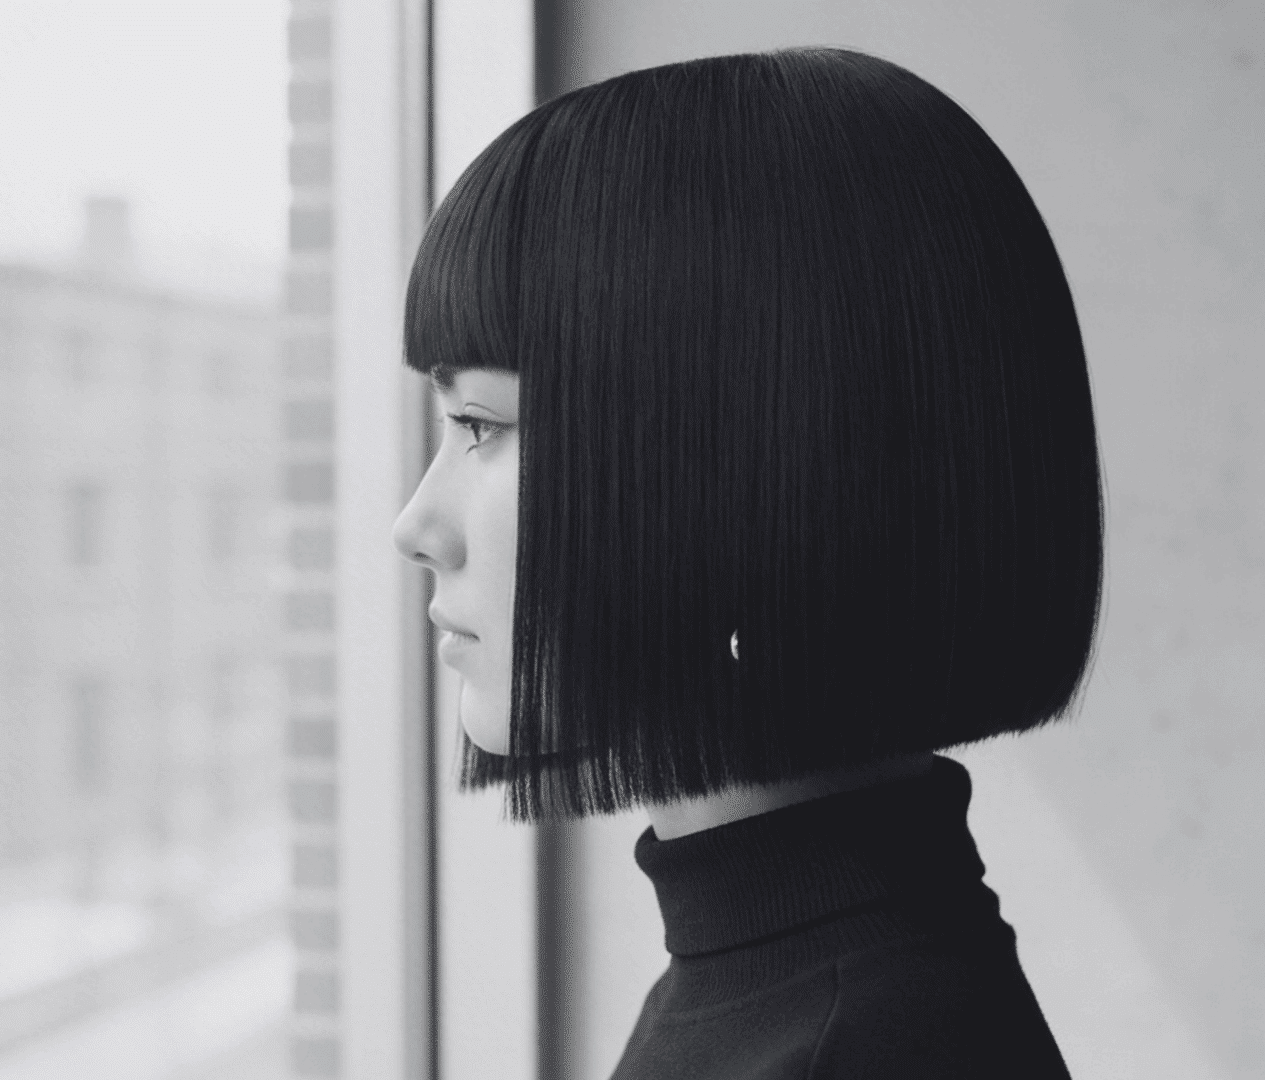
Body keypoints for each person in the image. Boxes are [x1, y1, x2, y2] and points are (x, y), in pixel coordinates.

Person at [392, 45, 1101, 1079]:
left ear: (752, 469)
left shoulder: (851, 1041)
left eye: (481, 424)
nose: (416, 523)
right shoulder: (785, 983)